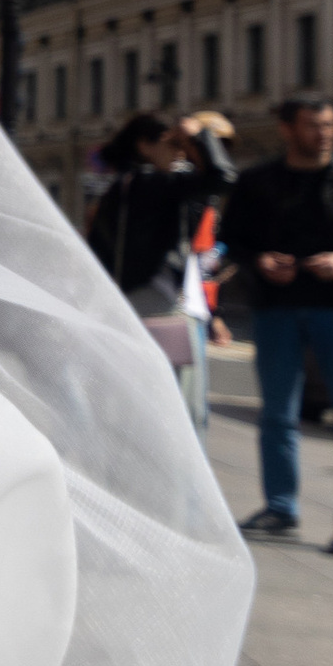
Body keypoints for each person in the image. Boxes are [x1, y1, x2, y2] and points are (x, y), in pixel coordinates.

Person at [221, 91, 333, 553]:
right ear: (287, 130)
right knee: (278, 415)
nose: (323, 134)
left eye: (328, 125)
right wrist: (260, 260)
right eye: (312, 125)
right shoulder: (258, 182)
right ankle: (281, 508)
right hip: (276, 309)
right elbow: (229, 241)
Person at [87, 108, 234, 428]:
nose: (181, 153)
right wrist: (198, 136)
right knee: (182, 408)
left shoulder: (120, 187)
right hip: (162, 300)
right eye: (174, 143)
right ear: (145, 146)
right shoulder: (159, 183)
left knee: (133, 403)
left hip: (126, 300)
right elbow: (222, 177)